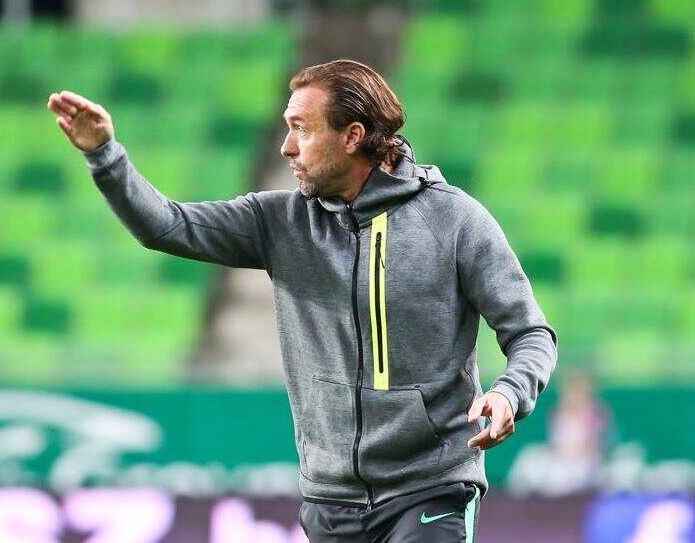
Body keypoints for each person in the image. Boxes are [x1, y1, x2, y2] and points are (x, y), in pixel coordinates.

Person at [47, 59, 558, 542]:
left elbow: (531, 333)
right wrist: (104, 155)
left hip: (432, 487)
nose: (286, 147)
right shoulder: (280, 222)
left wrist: (509, 393)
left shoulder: (453, 220)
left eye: (302, 129)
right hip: (329, 500)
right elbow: (165, 225)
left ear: (352, 136)